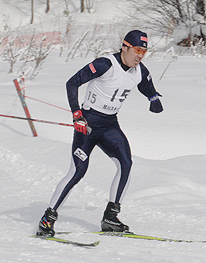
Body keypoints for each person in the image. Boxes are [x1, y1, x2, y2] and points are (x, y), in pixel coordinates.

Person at [36, 30, 163, 237]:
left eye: (144, 52)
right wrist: (77, 114)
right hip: (88, 124)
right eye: (137, 50)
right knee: (78, 171)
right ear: (125, 47)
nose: (140, 56)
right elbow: (72, 83)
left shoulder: (140, 71)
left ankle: (110, 218)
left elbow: (147, 85)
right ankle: (47, 219)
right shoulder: (105, 64)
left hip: (110, 125)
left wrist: (153, 99)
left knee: (125, 163)